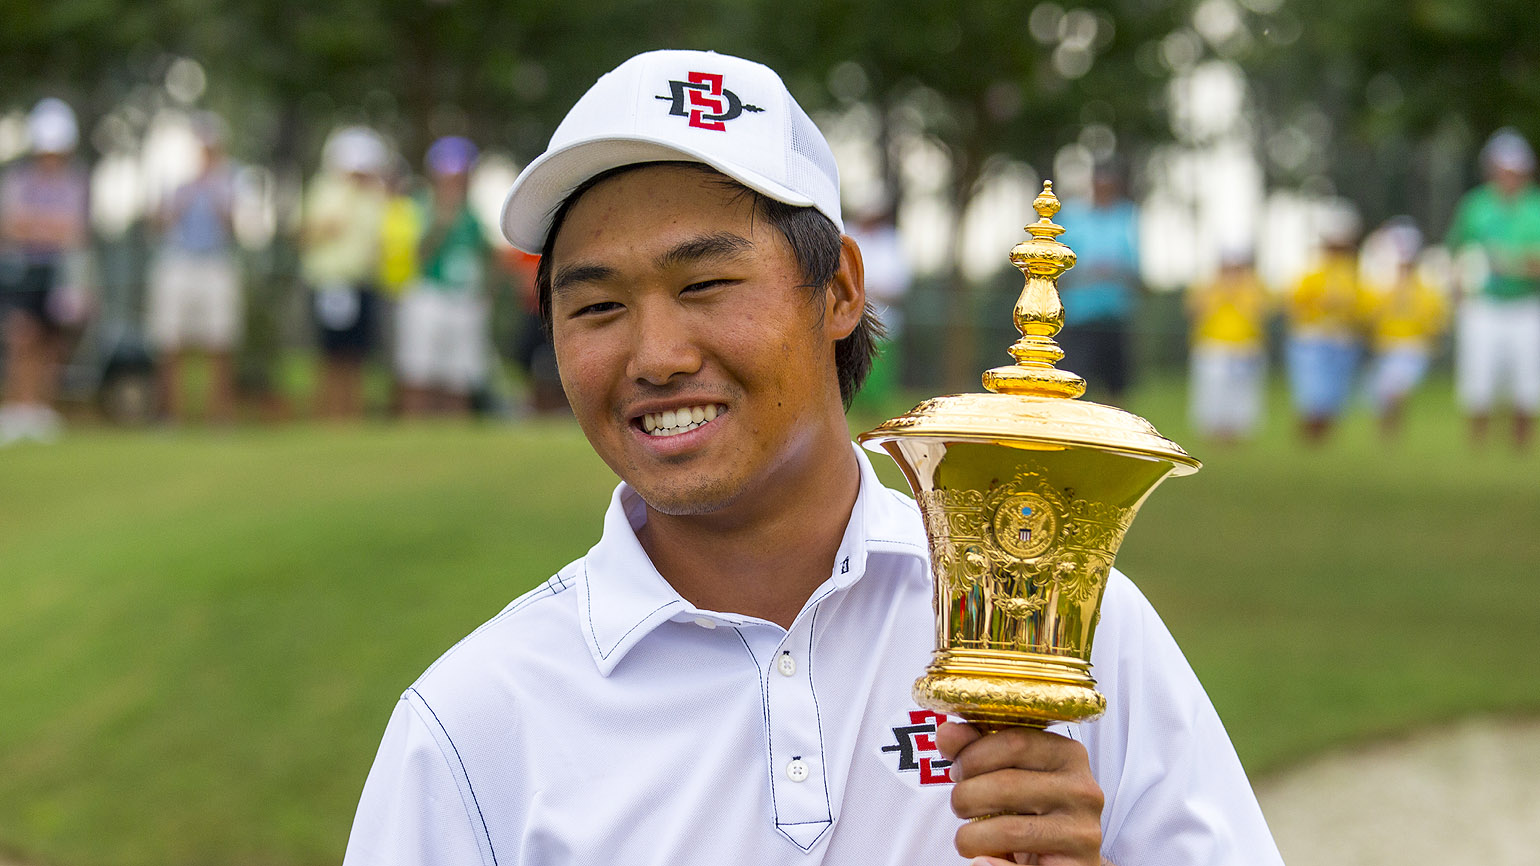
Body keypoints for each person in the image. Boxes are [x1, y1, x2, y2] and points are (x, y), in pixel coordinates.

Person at [343, 50, 1282, 866]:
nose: (656, 355)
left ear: (838, 290)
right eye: (596, 307)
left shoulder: (1060, 617)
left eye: (706, 283)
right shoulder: (475, 722)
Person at [0, 98, 91, 445]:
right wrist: (48, 227)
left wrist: (36, 225)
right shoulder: (18, 179)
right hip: (22, 269)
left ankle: (39, 409)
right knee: (22, 337)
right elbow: (11, 225)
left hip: (59, 272)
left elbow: (74, 230)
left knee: (51, 341)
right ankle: (15, 408)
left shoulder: (75, 181)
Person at [1445, 128, 1540, 449]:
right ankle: (1478, 446)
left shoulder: (1535, 207)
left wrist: (1512, 264)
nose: (1508, 177)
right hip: (1483, 304)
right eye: (1502, 169)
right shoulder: (1475, 206)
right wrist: (1459, 285)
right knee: (1478, 379)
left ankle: (1520, 445)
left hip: (1525, 303)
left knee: (1528, 380)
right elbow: (1459, 252)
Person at [145, 112, 242, 425]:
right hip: (177, 262)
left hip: (216, 264)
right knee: (170, 342)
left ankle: (220, 416)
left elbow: (233, 225)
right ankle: (169, 415)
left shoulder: (230, 179)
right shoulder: (174, 179)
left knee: (220, 341)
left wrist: (211, 188)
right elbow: (159, 223)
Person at [395, 136, 491, 417]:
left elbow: (484, 257)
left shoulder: (472, 214)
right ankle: (414, 429)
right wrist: (441, 219)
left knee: (459, 375)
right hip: (429, 294)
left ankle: (453, 434)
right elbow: (414, 255)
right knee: (420, 370)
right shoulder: (419, 206)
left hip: (466, 299)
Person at [302, 126, 389, 421]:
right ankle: (328, 416)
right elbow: (316, 231)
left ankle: (351, 417)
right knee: (330, 355)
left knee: (356, 356)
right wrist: (346, 194)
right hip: (331, 283)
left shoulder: (377, 198)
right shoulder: (325, 190)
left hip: (362, 283)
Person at [1053, 161, 1140, 401]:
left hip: (1114, 314)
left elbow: (1134, 267)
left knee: (1117, 386)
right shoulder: (1072, 217)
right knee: (1075, 377)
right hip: (1081, 315)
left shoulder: (1125, 216)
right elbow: (1061, 264)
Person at [1284, 204, 1367, 444]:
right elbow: (1295, 304)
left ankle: (1323, 443)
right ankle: (1309, 441)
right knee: (1312, 396)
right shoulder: (1312, 272)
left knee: (1333, 398)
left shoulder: (1354, 273)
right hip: (1313, 339)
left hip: (1343, 341)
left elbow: (1365, 307)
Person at [1362, 218, 1448, 440]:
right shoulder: (1381, 287)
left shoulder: (1426, 289)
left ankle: (1391, 434)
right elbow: (1369, 318)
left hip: (1412, 349)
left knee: (1396, 392)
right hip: (1386, 347)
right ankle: (1387, 435)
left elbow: (1435, 323)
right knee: (1383, 396)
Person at [1186, 248, 1269, 443]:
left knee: (1241, 393)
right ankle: (1213, 430)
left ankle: (1237, 432)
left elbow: (1261, 312)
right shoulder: (1206, 287)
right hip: (1213, 346)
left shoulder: (1254, 287)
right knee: (1213, 392)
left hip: (1246, 347)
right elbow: (1194, 311)